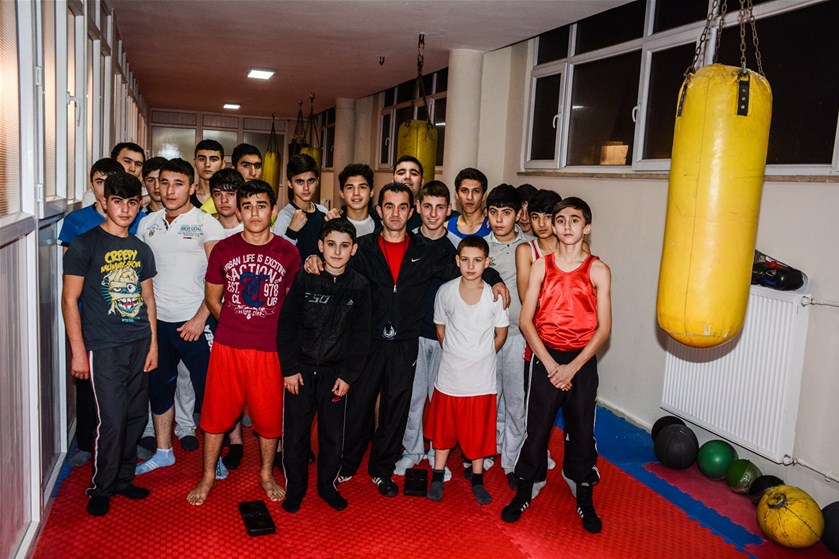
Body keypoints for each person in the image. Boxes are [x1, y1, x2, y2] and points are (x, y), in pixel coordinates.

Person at [303, 183, 509, 498]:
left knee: (396, 407)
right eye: (389, 206)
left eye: (402, 207)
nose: (396, 213)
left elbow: (466, 267)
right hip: (368, 340)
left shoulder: (426, 251)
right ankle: (348, 463)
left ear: (411, 211)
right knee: (358, 404)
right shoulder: (363, 248)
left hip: (405, 342)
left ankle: (381, 469)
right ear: (379, 210)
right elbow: (335, 263)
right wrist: (312, 258)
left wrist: (495, 279)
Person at [502, 197, 611, 535]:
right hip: (546, 357)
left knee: (581, 431)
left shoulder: (598, 270)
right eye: (560, 220)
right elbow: (526, 321)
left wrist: (572, 367)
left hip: (581, 361)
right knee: (536, 429)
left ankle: (583, 490)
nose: (566, 226)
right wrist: (551, 365)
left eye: (574, 220)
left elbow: (604, 328)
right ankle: (526, 486)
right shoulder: (541, 266)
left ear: (586, 227)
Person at [187, 180, 299, 507]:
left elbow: (290, 305)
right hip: (229, 346)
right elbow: (212, 298)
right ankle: (208, 475)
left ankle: (266, 474)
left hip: (269, 349)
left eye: (261, 206)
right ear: (238, 212)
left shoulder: (288, 252)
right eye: (247, 207)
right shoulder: (224, 249)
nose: (254, 213)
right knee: (215, 414)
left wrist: (267, 330)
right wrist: (235, 324)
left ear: (273, 210)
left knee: (268, 417)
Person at [61, 172, 158, 517]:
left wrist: (153, 345)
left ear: (139, 205)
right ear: (104, 202)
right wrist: (78, 352)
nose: (125, 209)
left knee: (135, 416)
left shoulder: (141, 248)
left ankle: (123, 479)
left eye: (132, 203)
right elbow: (69, 300)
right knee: (112, 420)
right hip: (103, 346)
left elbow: (148, 298)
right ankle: (101, 486)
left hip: (139, 341)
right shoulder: (84, 244)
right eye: (118, 201)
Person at [134, 159, 224, 475]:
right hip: (158, 323)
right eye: (165, 183)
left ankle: (215, 458)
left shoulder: (207, 224)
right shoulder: (147, 223)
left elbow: (221, 277)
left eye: (179, 183)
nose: (170, 190)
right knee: (159, 388)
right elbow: (142, 276)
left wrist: (201, 317)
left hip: (197, 322)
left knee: (209, 392)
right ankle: (163, 451)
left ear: (192, 187)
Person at [277, 218, 372, 513]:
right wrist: (289, 369)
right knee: (295, 435)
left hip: (335, 374)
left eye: (344, 246)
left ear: (353, 249)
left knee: (332, 436)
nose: (337, 252)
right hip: (301, 372)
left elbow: (362, 337)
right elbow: (287, 326)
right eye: (331, 245)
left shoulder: (360, 286)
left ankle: (327, 487)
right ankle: (295, 489)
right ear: (320, 246)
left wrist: (348, 376)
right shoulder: (305, 279)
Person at [59, 159, 143, 468]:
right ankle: (87, 446)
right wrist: (78, 346)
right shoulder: (79, 225)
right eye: (99, 181)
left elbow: (143, 279)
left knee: (128, 400)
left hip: (129, 323)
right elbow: (71, 288)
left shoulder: (136, 219)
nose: (124, 208)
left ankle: (123, 456)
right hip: (91, 321)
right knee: (91, 391)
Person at [425, 236, 509, 505]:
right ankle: (437, 475)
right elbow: (440, 328)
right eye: (465, 260)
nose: (471, 266)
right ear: (457, 261)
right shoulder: (446, 291)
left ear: (487, 262)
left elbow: (501, 333)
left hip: (481, 379)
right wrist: (455, 351)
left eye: (477, 260)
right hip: (450, 376)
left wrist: (482, 354)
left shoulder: (494, 296)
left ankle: (477, 479)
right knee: (443, 430)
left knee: (477, 432)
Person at [393, 180, 458, 479]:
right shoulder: (407, 241)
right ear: (418, 208)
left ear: (449, 210)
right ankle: (412, 450)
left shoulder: (455, 248)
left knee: (441, 399)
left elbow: (476, 272)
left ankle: (437, 453)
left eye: (439, 207)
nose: (433, 213)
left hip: (445, 335)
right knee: (414, 397)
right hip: (413, 334)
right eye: (428, 206)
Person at [484, 184, 534, 486]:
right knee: (490, 396)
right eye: (494, 212)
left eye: (506, 212)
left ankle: (513, 459)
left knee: (516, 400)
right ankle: (487, 451)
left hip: (518, 335)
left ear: (518, 214)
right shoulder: (480, 247)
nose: (499, 219)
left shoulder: (529, 247)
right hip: (486, 336)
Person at [273, 153, 328, 260]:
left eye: (310, 181)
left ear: (317, 181)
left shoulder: (324, 212)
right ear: (290, 183)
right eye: (300, 182)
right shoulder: (285, 217)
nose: (306, 187)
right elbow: (276, 259)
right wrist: (291, 232)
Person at [515, 189, 562, 304]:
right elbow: (526, 299)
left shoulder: (576, 247)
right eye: (535, 217)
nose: (541, 224)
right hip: (541, 315)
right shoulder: (525, 250)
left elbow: (588, 292)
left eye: (547, 217)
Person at [336, 163, 379, 236]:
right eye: (350, 188)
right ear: (342, 193)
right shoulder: (334, 225)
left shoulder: (382, 225)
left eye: (362, 187)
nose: (356, 193)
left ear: (371, 192)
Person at [446, 168, 492, 239]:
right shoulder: (446, 228)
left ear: (483, 196)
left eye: (476, 191)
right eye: (464, 190)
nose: (470, 197)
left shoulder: (493, 227)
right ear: (457, 194)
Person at [393, 155, 425, 231]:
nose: (407, 177)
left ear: (422, 182)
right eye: (401, 173)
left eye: (414, 173)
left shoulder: (431, 214)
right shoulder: (377, 213)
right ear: (393, 180)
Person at [210, 168, 245, 236]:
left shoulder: (253, 228)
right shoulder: (204, 227)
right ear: (212, 197)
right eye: (217, 194)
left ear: (241, 196)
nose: (223, 200)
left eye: (230, 194)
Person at [192, 139, 225, 208]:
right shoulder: (186, 196)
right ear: (194, 162)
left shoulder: (233, 198)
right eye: (202, 159)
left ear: (223, 164)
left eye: (213, 160)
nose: (207, 164)